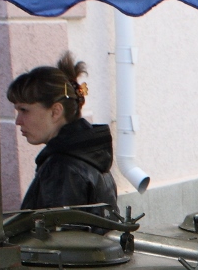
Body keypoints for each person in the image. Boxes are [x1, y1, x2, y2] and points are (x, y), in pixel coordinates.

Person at [7, 51, 117, 210]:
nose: (18, 121)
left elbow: (60, 226)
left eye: (24, 110)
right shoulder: (88, 155)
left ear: (55, 112)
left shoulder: (63, 168)